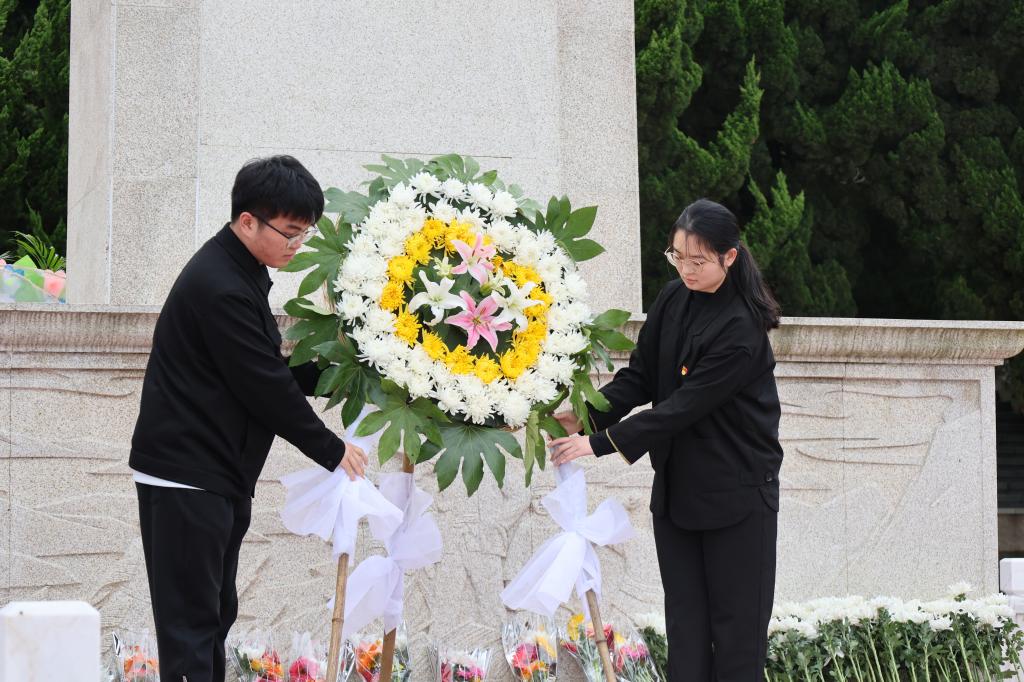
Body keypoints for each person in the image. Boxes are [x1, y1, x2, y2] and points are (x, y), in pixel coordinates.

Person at [128, 155, 368, 682]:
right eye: (290, 232)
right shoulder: (221, 285)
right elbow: (263, 387)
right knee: (191, 627)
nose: (297, 244)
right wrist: (332, 450)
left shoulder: (242, 271)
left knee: (213, 615)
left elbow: (264, 366)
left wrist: (346, 371)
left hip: (214, 471)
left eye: (304, 233)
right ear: (247, 221)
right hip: (186, 473)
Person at [549, 198, 784, 681]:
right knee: (685, 632)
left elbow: (683, 407)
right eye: (678, 256)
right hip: (679, 495)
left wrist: (600, 443)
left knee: (737, 642)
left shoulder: (742, 329)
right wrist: (583, 418)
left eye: (698, 260)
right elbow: (641, 377)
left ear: (729, 257)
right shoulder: (673, 298)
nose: (686, 269)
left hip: (739, 499)